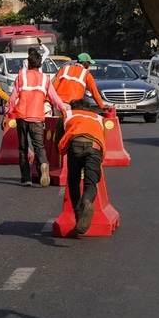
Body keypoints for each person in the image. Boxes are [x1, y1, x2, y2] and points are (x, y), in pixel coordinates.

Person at [5, 50, 69, 187]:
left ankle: (26, 178)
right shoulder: (45, 79)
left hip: (21, 115)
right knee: (39, 146)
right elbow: (54, 98)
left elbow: (13, 97)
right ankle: (43, 164)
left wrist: (6, 113)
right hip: (37, 117)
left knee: (23, 148)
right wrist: (63, 110)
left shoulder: (21, 76)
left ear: (28, 63)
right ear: (40, 64)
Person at [58, 99, 107, 235]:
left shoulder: (67, 115)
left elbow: (58, 139)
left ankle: (79, 216)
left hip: (75, 145)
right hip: (95, 146)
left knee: (73, 182)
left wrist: (61, 151)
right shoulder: (98, 118)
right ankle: (87, 201)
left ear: (73, 108)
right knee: (90, 183)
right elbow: (103, 139)